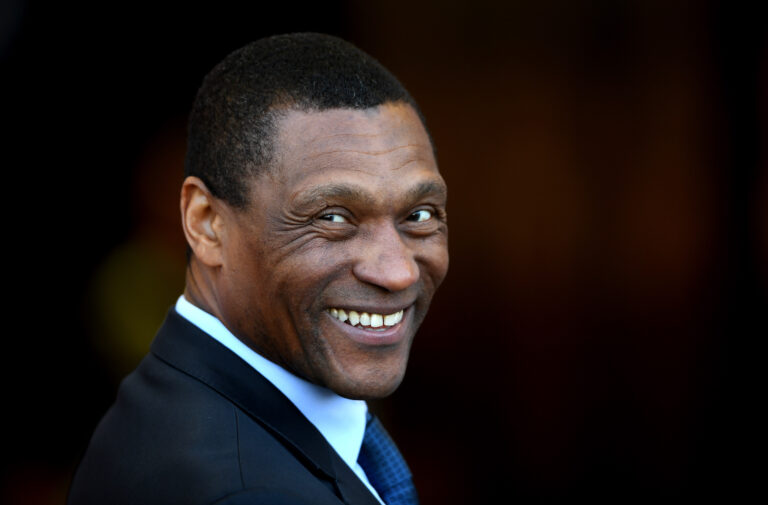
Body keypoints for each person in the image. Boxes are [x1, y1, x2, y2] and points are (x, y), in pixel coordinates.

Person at [68, 33, 449, 505]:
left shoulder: (179, 398)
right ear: (206, 224)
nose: (398, 273)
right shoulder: (247, 490)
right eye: (331, 218)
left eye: (420, 216)